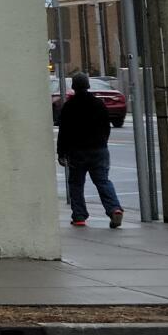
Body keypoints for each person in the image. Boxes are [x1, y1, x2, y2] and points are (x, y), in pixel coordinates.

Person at [56, 75, 123, 227]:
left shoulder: (69, 106)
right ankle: (114, 209)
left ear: (73, 87)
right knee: (102, 181)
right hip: (98, 148)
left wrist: (61, 153)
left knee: (76, 184)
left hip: (77, 151)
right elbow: (106, 126)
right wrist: (102, 142)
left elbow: (64, 132)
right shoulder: (98, 104)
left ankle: (79, 216)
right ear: (87, 85)